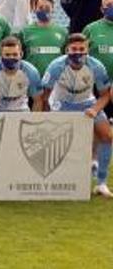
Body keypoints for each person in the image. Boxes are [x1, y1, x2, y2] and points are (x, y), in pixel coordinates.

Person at [41, 33, 113, 197]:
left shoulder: (96, 66)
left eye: (82, 49)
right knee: (58, 140)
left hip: (87, 102)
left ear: (87, 50)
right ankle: (56, 179)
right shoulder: (56, 66)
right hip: (61, 103)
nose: (78, 53)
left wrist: (94, 109)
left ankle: (101, 183)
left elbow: (105, 95)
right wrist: (48, 115)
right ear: (67, 49)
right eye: (74, 49)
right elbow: (46, 94)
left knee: (107, 135)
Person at [0, 37, 43, 113]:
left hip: (20, 110)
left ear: (21, 54)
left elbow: (38, 101)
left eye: (15, 54)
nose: (11, 58)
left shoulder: (31, 72)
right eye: (7, 55)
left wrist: (33, 121)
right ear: (0, 55)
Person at [15, 0, 67, 77]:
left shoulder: (63, 32)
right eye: (41, 7)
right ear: (35, 9)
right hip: (32, 79)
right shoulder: (25, 32)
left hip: (56, 80)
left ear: (53, 10)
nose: (44, 10)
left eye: (47, 8)